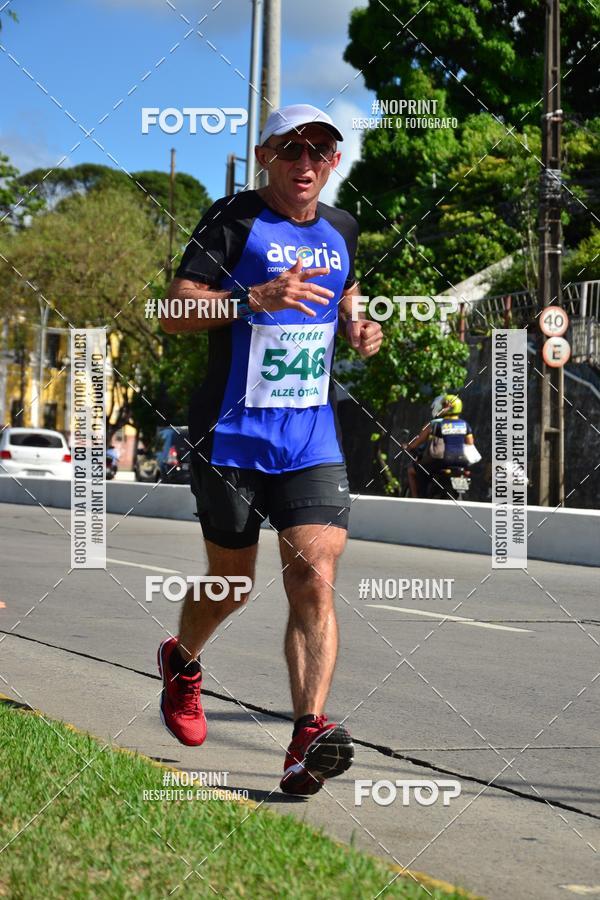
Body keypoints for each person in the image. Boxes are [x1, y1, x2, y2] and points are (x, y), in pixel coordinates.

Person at [157, 104, 383, 796]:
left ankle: (306, 737)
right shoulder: (233, 220)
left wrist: (357, 326)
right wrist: (251, 298)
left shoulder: (343, 227)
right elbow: (174, 310)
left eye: (320, 150)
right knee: (232, 586)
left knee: (314, 576)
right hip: (231, 435)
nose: (305, 162)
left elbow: (347, 292)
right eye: (292, 150)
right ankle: (183, 659)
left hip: (310, 436)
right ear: (266, 156)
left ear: (335, 162)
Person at [404, 394, 474, 498]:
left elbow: (416, 443)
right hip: (460, 463)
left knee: (412, 470)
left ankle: (417, 499)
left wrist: (408, 447)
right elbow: (470, 444)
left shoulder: (434, 424)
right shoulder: (464, 425)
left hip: (439, 462)